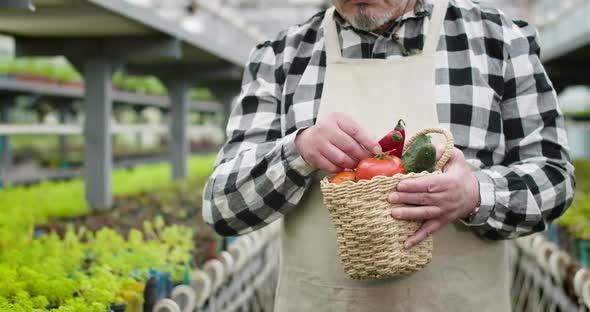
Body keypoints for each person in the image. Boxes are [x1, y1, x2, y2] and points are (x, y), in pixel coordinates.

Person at [203, 0, 576, 310]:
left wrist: (477, 195)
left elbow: (554, 178)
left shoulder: (500, 41)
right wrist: (298, 151)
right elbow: (222, 207)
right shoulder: (280, 57)